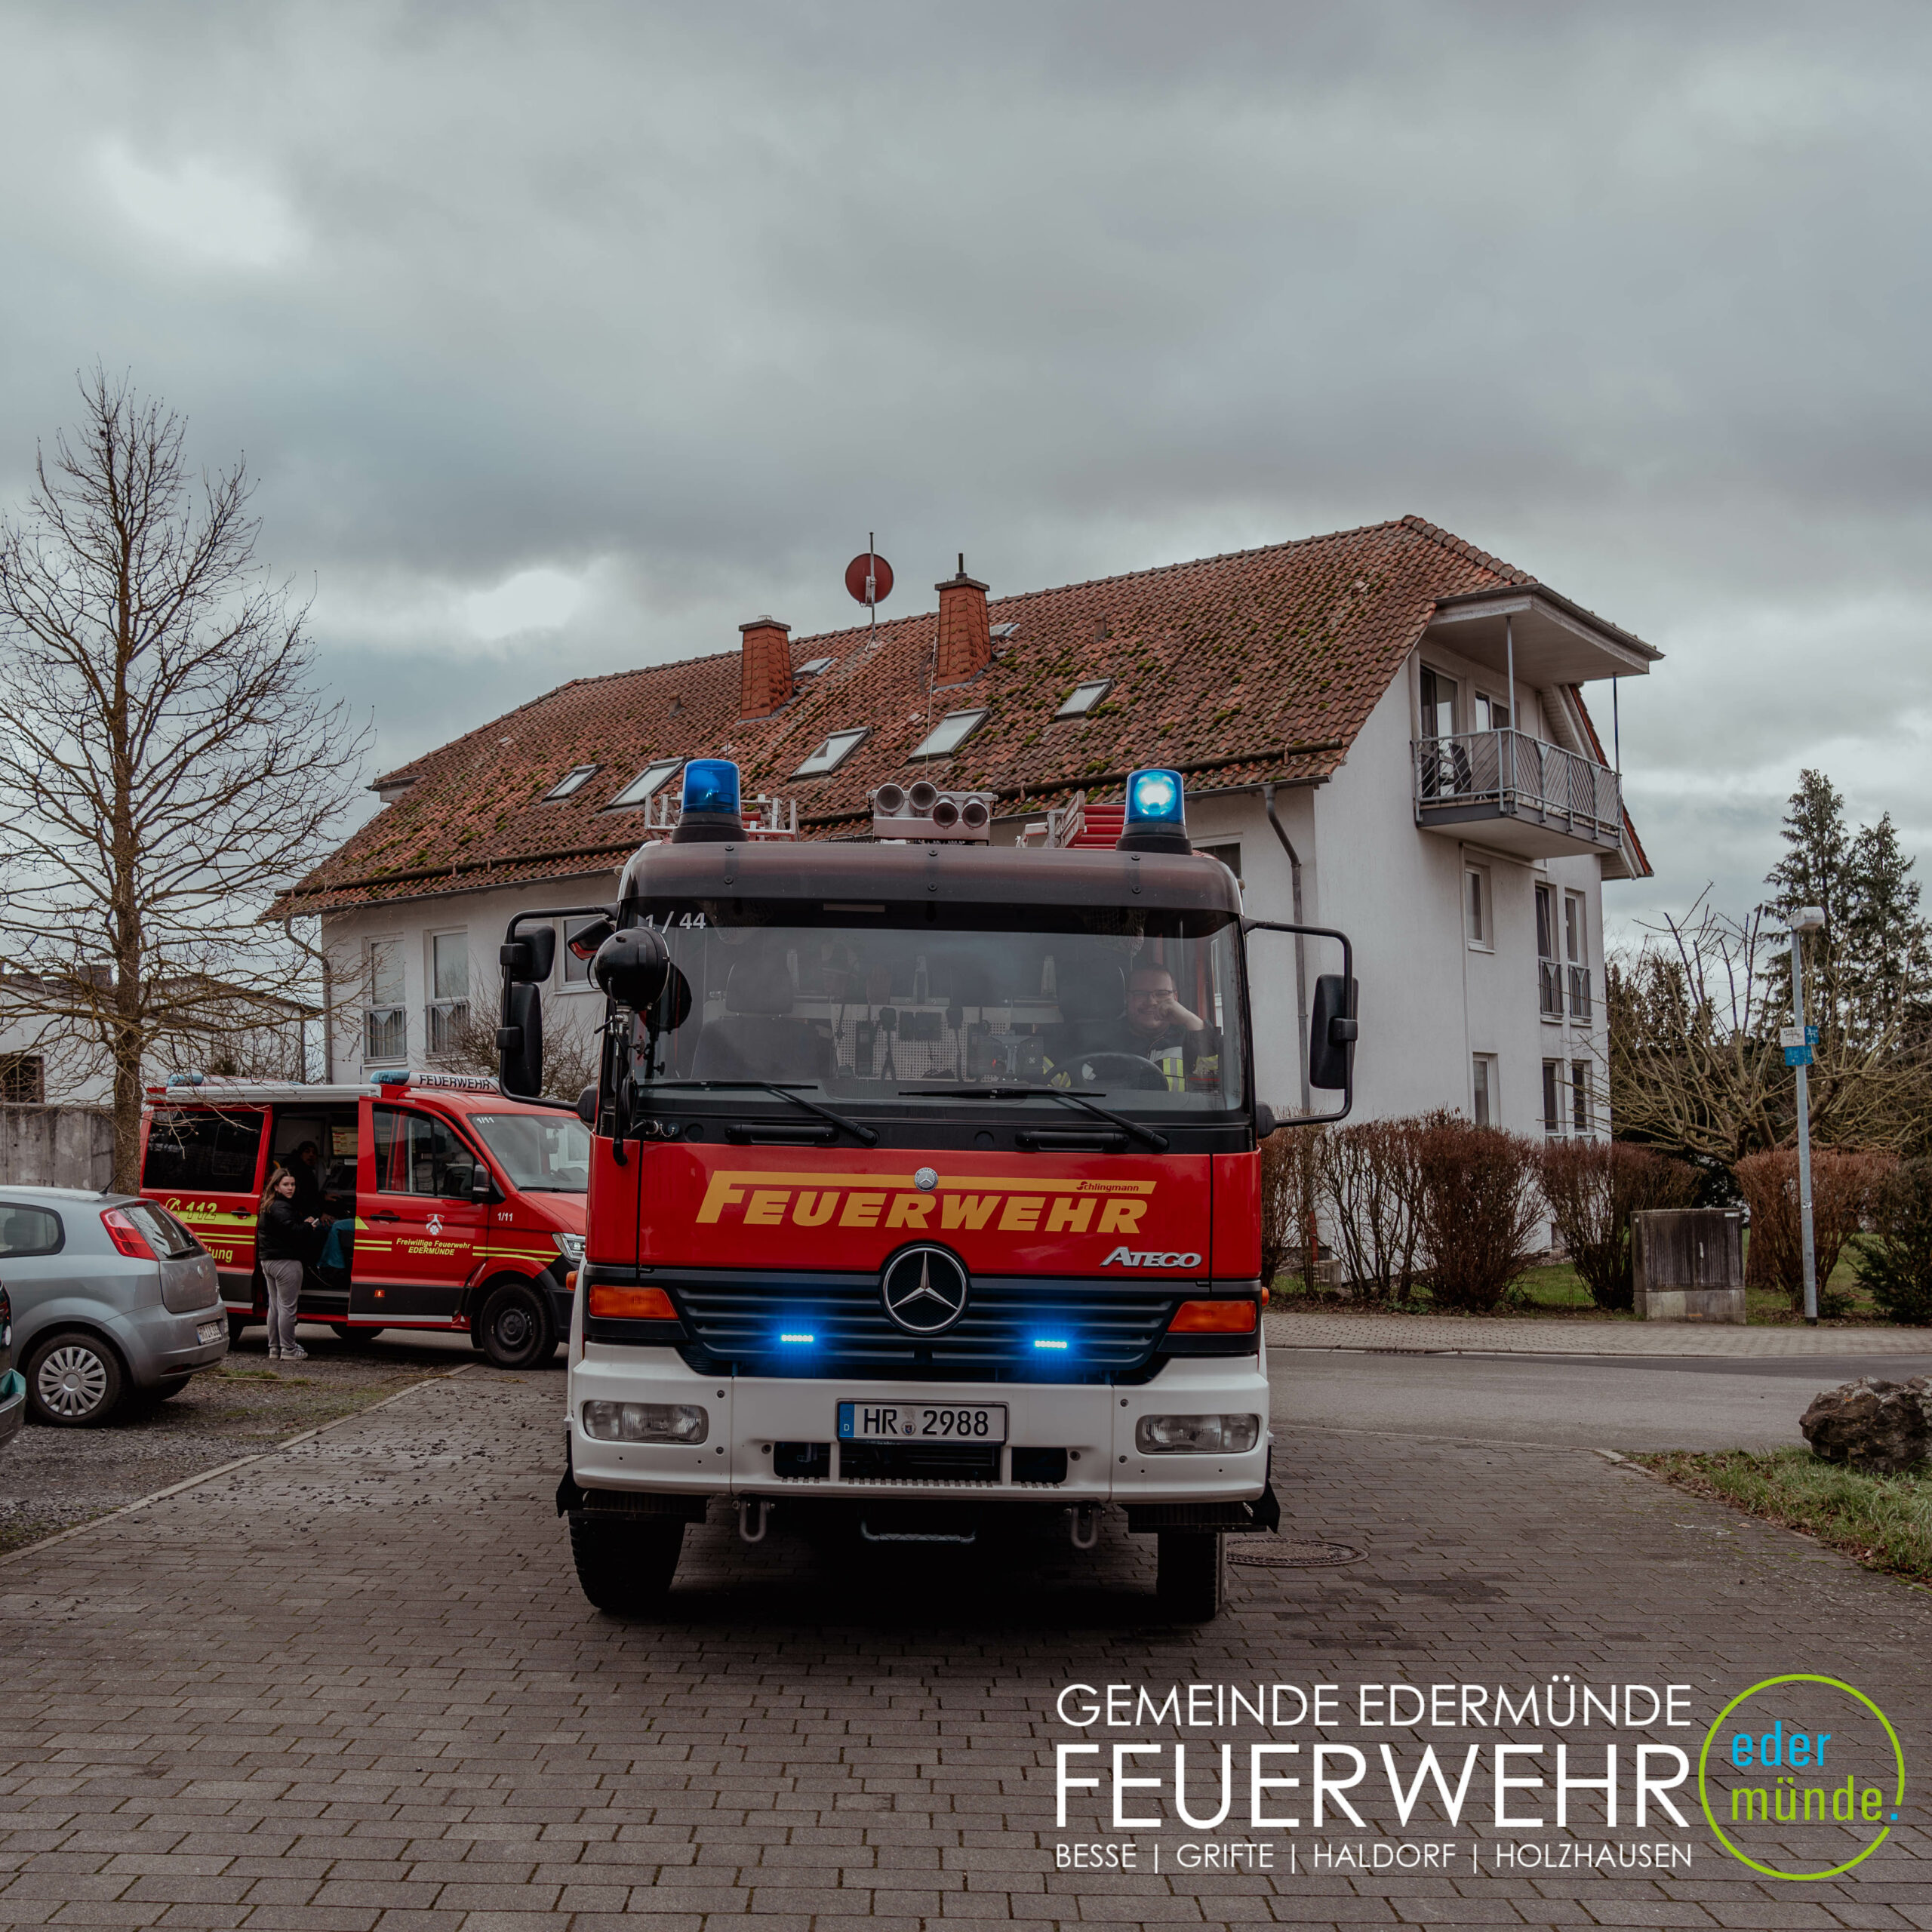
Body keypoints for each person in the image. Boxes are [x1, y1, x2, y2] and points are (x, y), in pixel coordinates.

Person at [256, 1168, 322, 1361]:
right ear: (276, 1187)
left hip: (268, 1261)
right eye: (285, 1184)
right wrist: (309, 1225)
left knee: (275, 1306)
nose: (290, 1188)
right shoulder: (282, 1207)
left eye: (292, 1184)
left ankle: (274, 1348)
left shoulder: (269, 1205)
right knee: (287, 1307)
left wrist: (302, 1224)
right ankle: (289, 1349)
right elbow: (294, 1231)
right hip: (286, 1261)